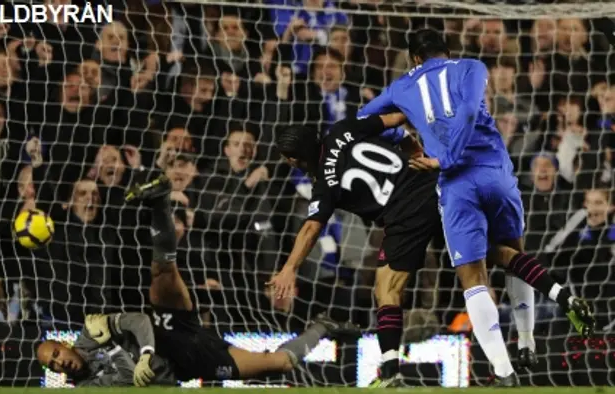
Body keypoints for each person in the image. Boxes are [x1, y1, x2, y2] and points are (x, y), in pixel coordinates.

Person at [356, 28, 595, 385]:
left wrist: (411, 142)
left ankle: (503, 371)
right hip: (497, 173)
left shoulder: (402, 87)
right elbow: (468, 110)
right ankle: (527, 344)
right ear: (447, 51)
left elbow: (363, 120)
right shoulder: (471, 68)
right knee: (515, 257)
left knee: (473, 277)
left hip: (456, 184)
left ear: (414, 58)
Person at [36, 174, 359, 386]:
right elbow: (143, 382)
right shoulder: (88, 387)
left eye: (56, 354)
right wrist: (131, 358)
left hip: (168, 328)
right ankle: (323, 326)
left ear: (63, 345)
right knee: (279, 364)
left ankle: (160, 202)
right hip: (193, 362)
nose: (60, 363)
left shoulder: (88, 335)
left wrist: (144, 350)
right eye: (54, 366)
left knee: (163, 270)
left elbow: (135, 321)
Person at [268, 113, 439, 387]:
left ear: (293, 160)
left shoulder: (325, 183)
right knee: (494, 257)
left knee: (386, 290)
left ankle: (390, 373)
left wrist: (289, 268)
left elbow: (311, 229)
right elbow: (396, 120)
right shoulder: (341, 129)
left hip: (405, 212)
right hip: (432, 183)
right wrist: (414, 148)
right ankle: (516, 355)